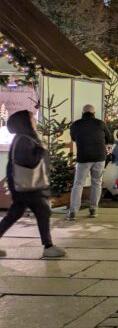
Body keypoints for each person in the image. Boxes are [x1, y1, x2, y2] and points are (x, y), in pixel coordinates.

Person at [0, 111, 66, 258]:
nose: (34, 120)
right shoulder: (24, 139)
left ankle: (48, 247)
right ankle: (48, 247)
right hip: (28, 187)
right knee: (43, 211)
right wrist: (41, 150)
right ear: (25, 122)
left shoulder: (25, 138)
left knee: (14, 215)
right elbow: (29, 162)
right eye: (31, 118)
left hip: (23, 186)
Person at [68, 104, 113, 221]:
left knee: (78, 184)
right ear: (94, 113)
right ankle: (93, 209)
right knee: (97, 182)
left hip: (83, 158)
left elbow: (73, 138)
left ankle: (73, 212)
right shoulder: (101, 123)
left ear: (83, 112)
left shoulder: (75, 124)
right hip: (99, 157)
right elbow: (109, 139)